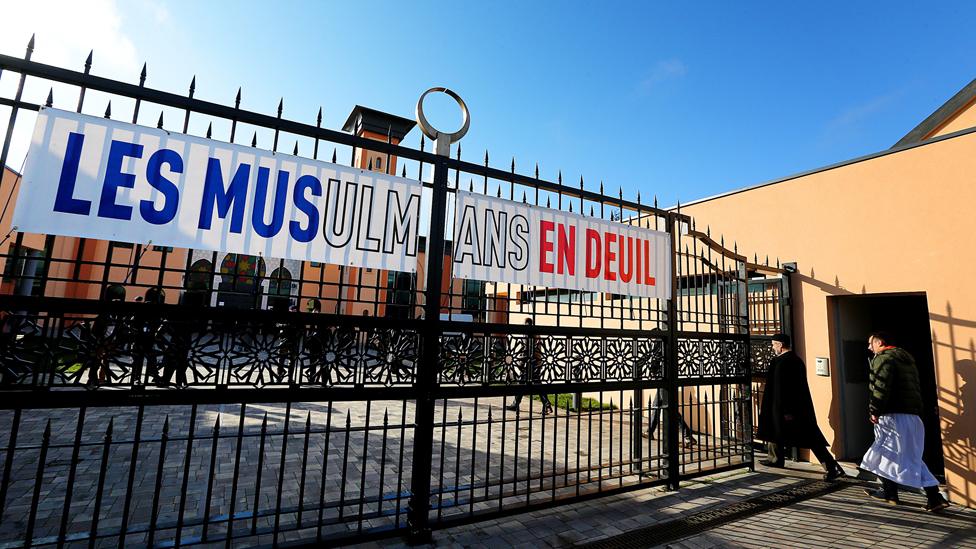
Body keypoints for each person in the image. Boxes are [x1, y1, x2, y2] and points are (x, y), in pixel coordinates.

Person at [860, 331, 949, 512]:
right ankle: (893, 494)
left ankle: (930, 496)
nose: (869, 348)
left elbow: (880, 387)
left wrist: (874, 410)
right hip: (912, 416)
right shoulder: (906, 360)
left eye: (871, 343)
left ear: (880, 342)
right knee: (903, 455)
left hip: (893, 415)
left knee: (886, 453)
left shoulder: (883, 359)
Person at [757, 333, 846, 481]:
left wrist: (786, 410)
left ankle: (832, 467)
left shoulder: (784, 362)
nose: (773, 348)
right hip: (794, 407)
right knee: (777, 432)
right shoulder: (794, 360)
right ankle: (775, 459)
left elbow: (784, 390)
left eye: (773, 345)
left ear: (780, 345)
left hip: (788, 409)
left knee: (810, 437)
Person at [506, 318, 553, 414]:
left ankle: (546, 404)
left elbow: (525, 350)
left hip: (530, 363)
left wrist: (520, 363)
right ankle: (546, 404)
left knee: (525, 384)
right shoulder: (536, 333)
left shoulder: (528, 334)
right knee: (533, 384)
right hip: (536, 362)